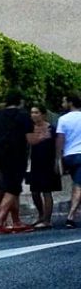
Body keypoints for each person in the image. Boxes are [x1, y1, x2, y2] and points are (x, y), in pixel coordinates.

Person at [0, 91, 33, 234]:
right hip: (15, 158)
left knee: (5, 189)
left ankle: (15, 221)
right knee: (11, 189)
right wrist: (43, 137)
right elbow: (30, 139)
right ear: (20, 102)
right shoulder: (23, 116)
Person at [25, 103, 60, 229]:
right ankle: (40, 215)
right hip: (35, 163)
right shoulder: (30, 129)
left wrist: (57, 161)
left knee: (46, 191)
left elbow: (57, 146)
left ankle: (47, 219)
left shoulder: (52, 128)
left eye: (36, 112)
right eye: (32, 112)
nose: (33, 115)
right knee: (34, 191)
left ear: (43, 114)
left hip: (48, 162)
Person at [56, 94, 81, 229]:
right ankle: (70, 216)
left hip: (69, 156)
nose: (62, 103)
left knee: (77, 183)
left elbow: (60, 139)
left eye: (64, 101)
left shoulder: (63, 120)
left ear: (71, 103)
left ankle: (72, 214)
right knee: (78, 185)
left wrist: (58, 158)